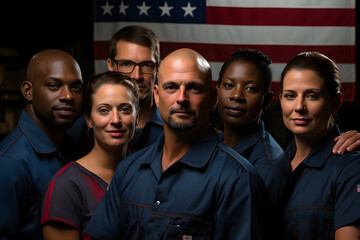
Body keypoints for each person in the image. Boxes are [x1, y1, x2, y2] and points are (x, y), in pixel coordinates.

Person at [84, 48, 267, 239]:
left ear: (212, 99)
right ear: (156, 95)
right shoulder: (128, 169)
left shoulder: (238, 179)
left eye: (193, 88)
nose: (182, 99)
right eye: (171, 87)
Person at [40, 71, 139, 240]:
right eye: (104, 110)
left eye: (124, 109)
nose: (115, 119)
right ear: (88, 119)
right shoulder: (66, 186)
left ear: (137, 117)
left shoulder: (146, 174)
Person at [0, 49, 84, 240]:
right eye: (54, 85)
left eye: (76, 87)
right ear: (28, 91)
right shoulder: (10, 164)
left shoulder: (76, 143)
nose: (68, 96)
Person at [279, 52, 360, 239]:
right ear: (280, 99)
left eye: (312, 96)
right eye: (290, 96)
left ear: (335, 102)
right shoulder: (271, 164)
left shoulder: (350, 168)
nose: (299, 107)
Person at [216, 49, 289, 236]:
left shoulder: (270, 165)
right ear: (217, 90)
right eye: (228, 85)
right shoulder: (206, 144)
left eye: (250, 89)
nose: (236, 96)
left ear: (265, 100)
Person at [107, 25, 163, 149]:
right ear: (111, 66)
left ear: (158, 68)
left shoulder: (173, 127)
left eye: (146, 65)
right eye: (126, 64)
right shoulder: (85, 128)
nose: (137, 76)